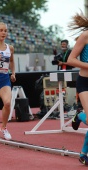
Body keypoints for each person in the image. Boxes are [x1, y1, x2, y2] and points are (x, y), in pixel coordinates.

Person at [67, 12, 88, 166]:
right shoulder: (85, 36)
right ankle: (80, 115)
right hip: (85, 82)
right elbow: (70, 60)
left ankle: (83, 154)